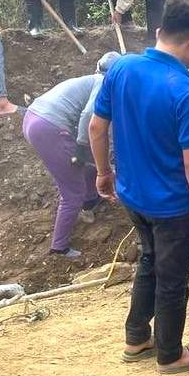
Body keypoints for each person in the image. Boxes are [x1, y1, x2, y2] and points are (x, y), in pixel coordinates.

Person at [89, 0, 189, 375]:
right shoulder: (187, 92)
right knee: (173, 278)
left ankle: (136, 338)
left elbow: (97, 127)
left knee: (149, 259)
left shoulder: (122, 67)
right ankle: (170, 354)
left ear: (161, 32)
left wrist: (104, 172)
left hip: (132, 194)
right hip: (171, 205)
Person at [23, 51, 122, 259]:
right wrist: (80, 145)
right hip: (50, 127)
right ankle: (59, 247)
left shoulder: (89, 79)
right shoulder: (104, 83)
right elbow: (88, 116)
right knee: (71, 191)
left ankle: (91, 201)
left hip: (34, 118)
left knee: (86, 162)